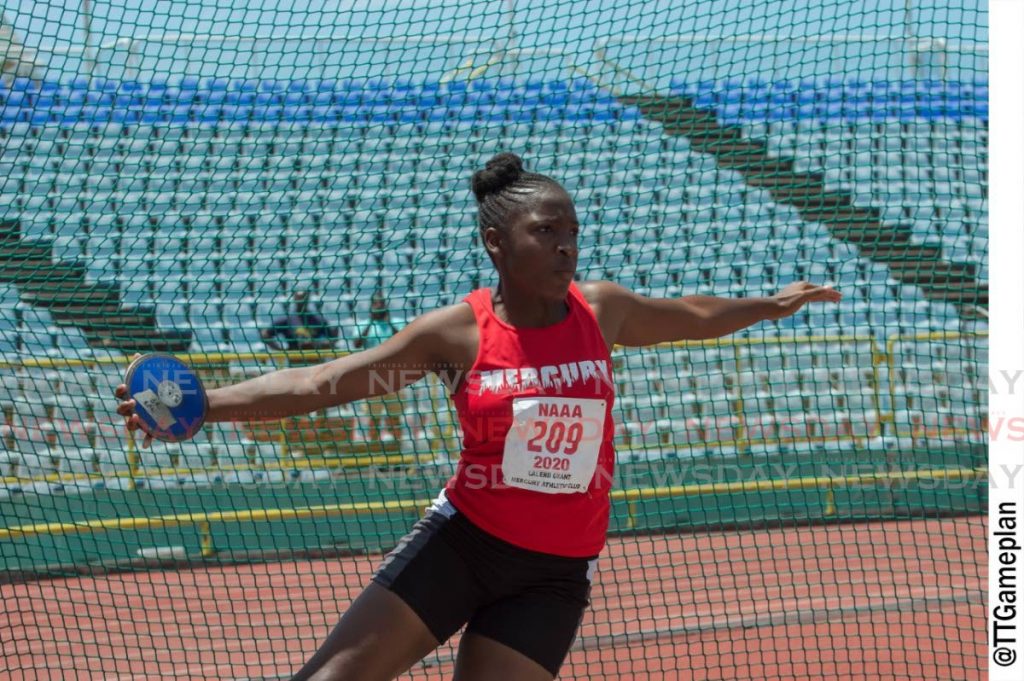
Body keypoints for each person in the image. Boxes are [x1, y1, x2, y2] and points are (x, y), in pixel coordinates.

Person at [116, 152, 841, 681]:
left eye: (572, 231)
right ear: (497, 242)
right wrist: (209, 404)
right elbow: (323, 383)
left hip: (555, 574)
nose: (566, 244)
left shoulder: (603, 309)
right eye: (545, 230)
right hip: (464, 546)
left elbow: (688, 316)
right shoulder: (454, 337)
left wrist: (770, 304)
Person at [352, 291, 404, 441]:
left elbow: (402, 339)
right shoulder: (364, 325)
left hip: (394, 376)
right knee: (373, 417)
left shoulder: (396, 323)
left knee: (395, 417)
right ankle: (375, 453)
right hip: (372, 377)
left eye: (381, 303)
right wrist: (370, 321)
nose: (378, 305)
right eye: (375, 303)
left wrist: (388, 322)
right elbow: (357, 343)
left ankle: (397, 453)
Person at [260, 288, 339, 353]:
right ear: (294, 299)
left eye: (303, 298)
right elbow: (265, 334)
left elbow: (332, 339)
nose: (301, 301)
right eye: (299, 298)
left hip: (315, 361)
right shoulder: (288, 320)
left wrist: (318, 345)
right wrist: (280, 350)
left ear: (308, 299)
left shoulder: (318, 320)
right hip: (295, 360)